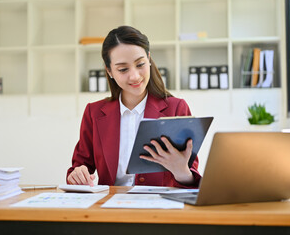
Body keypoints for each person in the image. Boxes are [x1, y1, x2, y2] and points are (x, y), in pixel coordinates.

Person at [66, 26, 201, 188]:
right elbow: (79, 168)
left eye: (140, 64)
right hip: (109, 207)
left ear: (149, 59)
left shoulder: (176, 108)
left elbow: (192, 176)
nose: (134, 76)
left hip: (160, 207)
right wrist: (78, 175)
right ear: (109, 71)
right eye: (123, 69)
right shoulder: (94, 113)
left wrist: (181, 171)